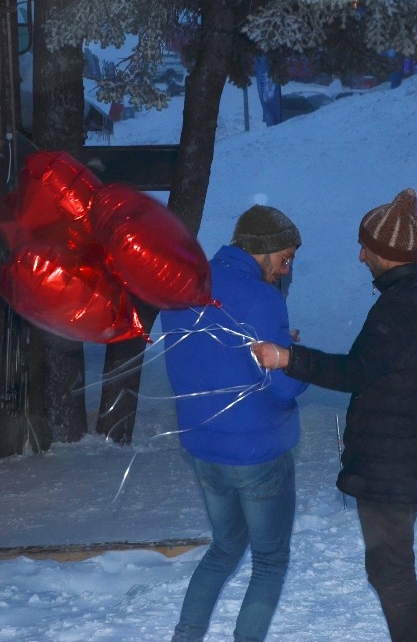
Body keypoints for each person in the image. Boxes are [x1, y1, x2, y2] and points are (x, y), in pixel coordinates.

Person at [252, 188, 417, 642]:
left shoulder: (402, 305)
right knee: (390, 568)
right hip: (409, 453)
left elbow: (355, 371)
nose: (361, 255)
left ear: (385, 252)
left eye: (367, 247)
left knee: (390, 571)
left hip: (391, 464)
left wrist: (288, 358)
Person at [160, 204, 308, 642]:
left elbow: (204, 357)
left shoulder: (185, 284)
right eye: (285, 259)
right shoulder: (263, 298)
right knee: (268, 561)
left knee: (224, 547)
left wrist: (277, 344)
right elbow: (283, 388)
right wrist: (294, 359)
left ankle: (186, 636)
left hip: (204, 449)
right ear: (262, 252)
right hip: (258, 452)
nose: (285, 271)